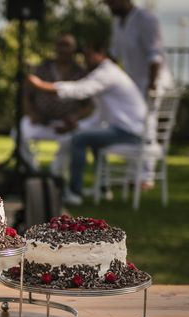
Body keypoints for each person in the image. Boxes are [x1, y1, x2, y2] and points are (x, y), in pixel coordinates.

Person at [27, 40, 147, 206]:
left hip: (129, 132)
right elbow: (101, 116)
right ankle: (103, 188)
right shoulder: (110, 73)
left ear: (101, 53)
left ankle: (74, 193)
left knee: (80, 140)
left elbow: (80, 90)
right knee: (92, 138)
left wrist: (42, 85)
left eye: (89, 55)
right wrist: (77, 125)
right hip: (128, 129)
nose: (86, 60)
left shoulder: (107, 73)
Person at [105, 0, 175, 189]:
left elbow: (155, 56)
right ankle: (134, 175)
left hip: (153, 83)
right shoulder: (117, 23)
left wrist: (151, 89)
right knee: (132, 126)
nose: (108, 6)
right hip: (133, 87)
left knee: (147, 124)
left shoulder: (146, 19)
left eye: (110, 2)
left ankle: (147, 176)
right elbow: (114, 54)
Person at [20, 34, 95, 174]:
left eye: (67, 46)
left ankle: (55, 176)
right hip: (41, 120)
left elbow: (89, 105)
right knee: (19, 130)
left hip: (65, 123)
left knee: (71, 139)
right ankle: (32, 171)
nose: (63, 49)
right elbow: (27, 95)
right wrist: (32, 113)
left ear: (73, 49)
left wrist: (75, 117)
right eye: (61, 45)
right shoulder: (42, 68)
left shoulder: (81, 73)